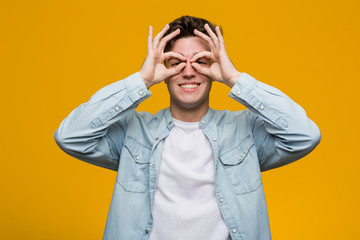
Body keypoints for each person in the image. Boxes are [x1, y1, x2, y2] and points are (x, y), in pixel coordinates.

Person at [54, 15, 321, 240]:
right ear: (164, 68)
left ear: (214, 67)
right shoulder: (134, 131)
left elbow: (305, 135)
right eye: (178, 62)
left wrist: (234, 78)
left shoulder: (245, 130)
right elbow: (70, 136)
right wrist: (141, 80)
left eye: (201, 61)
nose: (189, 71)